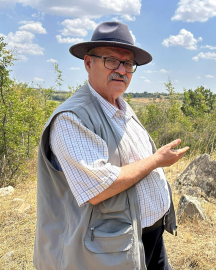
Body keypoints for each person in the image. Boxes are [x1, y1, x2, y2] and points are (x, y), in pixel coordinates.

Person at [33, 21, 189, 270]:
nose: (121, 70)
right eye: (110, 60)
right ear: (88, 63)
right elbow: (98, 188)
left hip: (144, 237)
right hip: (106, 251)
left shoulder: (121, 105)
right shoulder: (72, 118)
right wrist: (158, 160)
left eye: (127, 63)